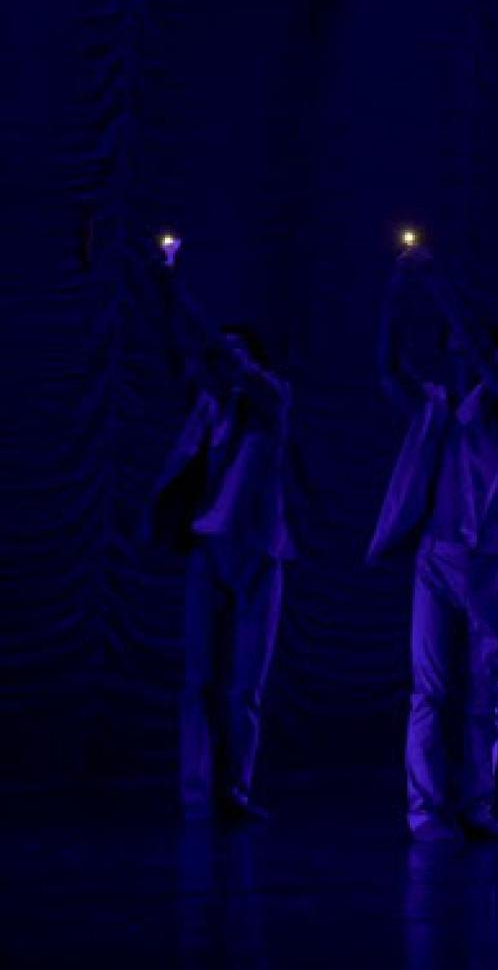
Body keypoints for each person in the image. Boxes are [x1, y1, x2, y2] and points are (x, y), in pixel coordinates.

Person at [368, 245, 498, 844]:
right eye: (452, 341)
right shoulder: (433, 407)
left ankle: (477, 808)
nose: (457, 347)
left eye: (468, 341)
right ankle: (426, 812)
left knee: (486, 692)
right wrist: (396, 290)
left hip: (489, 560)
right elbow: (387, 367)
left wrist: (437, 283)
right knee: (429, 692)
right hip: (436, 558)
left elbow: (484, 355)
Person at [141, 234, 293, 824]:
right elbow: (175, 352)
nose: (225, 364)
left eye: (237, 356)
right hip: (209, 550)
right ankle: (199, 790)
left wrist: (176, 287)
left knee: (243, 686)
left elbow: (217, 354)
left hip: (258, 555)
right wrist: (162, 293)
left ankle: (236, 790)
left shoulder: (273, 399)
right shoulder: (207, 408)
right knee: (199, 679)